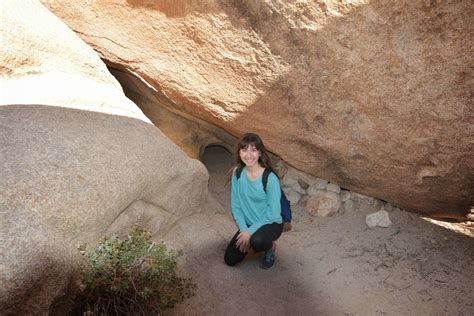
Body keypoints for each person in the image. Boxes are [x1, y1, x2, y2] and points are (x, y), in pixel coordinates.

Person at [224, 133, 283, 269]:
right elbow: (236, 205)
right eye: (244, 150)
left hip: (270, 223)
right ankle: (251, 240)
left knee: (257, 241)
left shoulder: (270, 178)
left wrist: (250, 233)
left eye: (253, 150)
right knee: (230, 259)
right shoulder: (237, 173)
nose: (248, 155)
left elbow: (273, 214)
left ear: (260, 153)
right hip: (249, 224)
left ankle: (269, 247)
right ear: (239, 153)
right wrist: (244, 230)